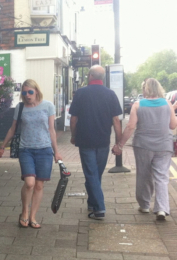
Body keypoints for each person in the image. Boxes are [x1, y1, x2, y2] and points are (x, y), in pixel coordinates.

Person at [0, 79, 63, 229]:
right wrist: (2, 147)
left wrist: (56, 152)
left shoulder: (48, 106)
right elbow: (12, 129)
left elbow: (52, 130)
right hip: (26, 150)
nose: (27, 95)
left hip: (45, 150)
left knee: (39, 185)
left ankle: (33, 216)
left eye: (30, 92)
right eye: (24, 93)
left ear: (36, 91)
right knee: (29, 183)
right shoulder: (20, 108)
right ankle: (24, 212)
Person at [113, 78, 177, 221]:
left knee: (144, 174)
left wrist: (120, 145)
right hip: (164, 146)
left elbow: (130, 127)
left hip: (143, 145)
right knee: (161, 177)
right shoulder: (167, 104)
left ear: (145, 90)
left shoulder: (138, 105)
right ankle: (162, 208)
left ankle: (145, 205)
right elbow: (173, 126)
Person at [68, 65, 123, 220]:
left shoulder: (80, 93)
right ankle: (92, 202)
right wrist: (118, 143)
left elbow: (73, 119)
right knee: (95, 174)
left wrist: (74, 135)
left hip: (85, 141)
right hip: (103, 141)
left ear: (90, 76)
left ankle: (99, 209)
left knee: (91, 174)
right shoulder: (110, 94)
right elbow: (116, 121)